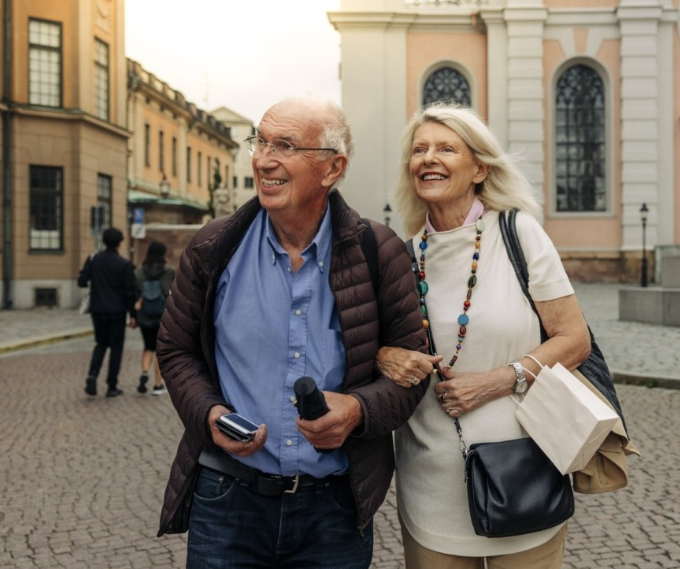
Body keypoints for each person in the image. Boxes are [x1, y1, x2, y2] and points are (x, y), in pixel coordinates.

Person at [155, 98, 427, 569]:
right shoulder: (212, 248)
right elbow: (176, 350)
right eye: (260, 141)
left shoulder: (379, 251)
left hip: (334, 510)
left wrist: (358, 411)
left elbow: (413, 372)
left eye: (285, 145)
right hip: (226, 500)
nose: (263, 159)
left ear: (332, 168)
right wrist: (210, 413)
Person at [376, 103, 591, 568]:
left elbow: (574, 340)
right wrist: (384, 356)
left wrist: (496, 380)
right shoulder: (399, 256)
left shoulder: (520, 234)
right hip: (431, 482)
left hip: (526, 471)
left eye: (446, 148)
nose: (428, 158)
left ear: (478, 167)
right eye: (419, 150)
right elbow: (376, 345)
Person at [78, 227, 137, 397]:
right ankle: (112, 385)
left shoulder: (93, 259)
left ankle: (92, 374)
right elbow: (129, 292)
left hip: (98, 309)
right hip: (118, 311)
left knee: (101, 344)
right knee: (116, 348)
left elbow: (82, 282)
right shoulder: (124, 264)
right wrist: (133, 315)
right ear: (120, 243)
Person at [133, 241, 175, 395]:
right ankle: (158, 385)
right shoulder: (169, 271)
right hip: (161, 316)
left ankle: (144, 372)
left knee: (147, 347)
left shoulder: (139, 272)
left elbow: (135, 293)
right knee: (159, 350)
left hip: (144, 315)